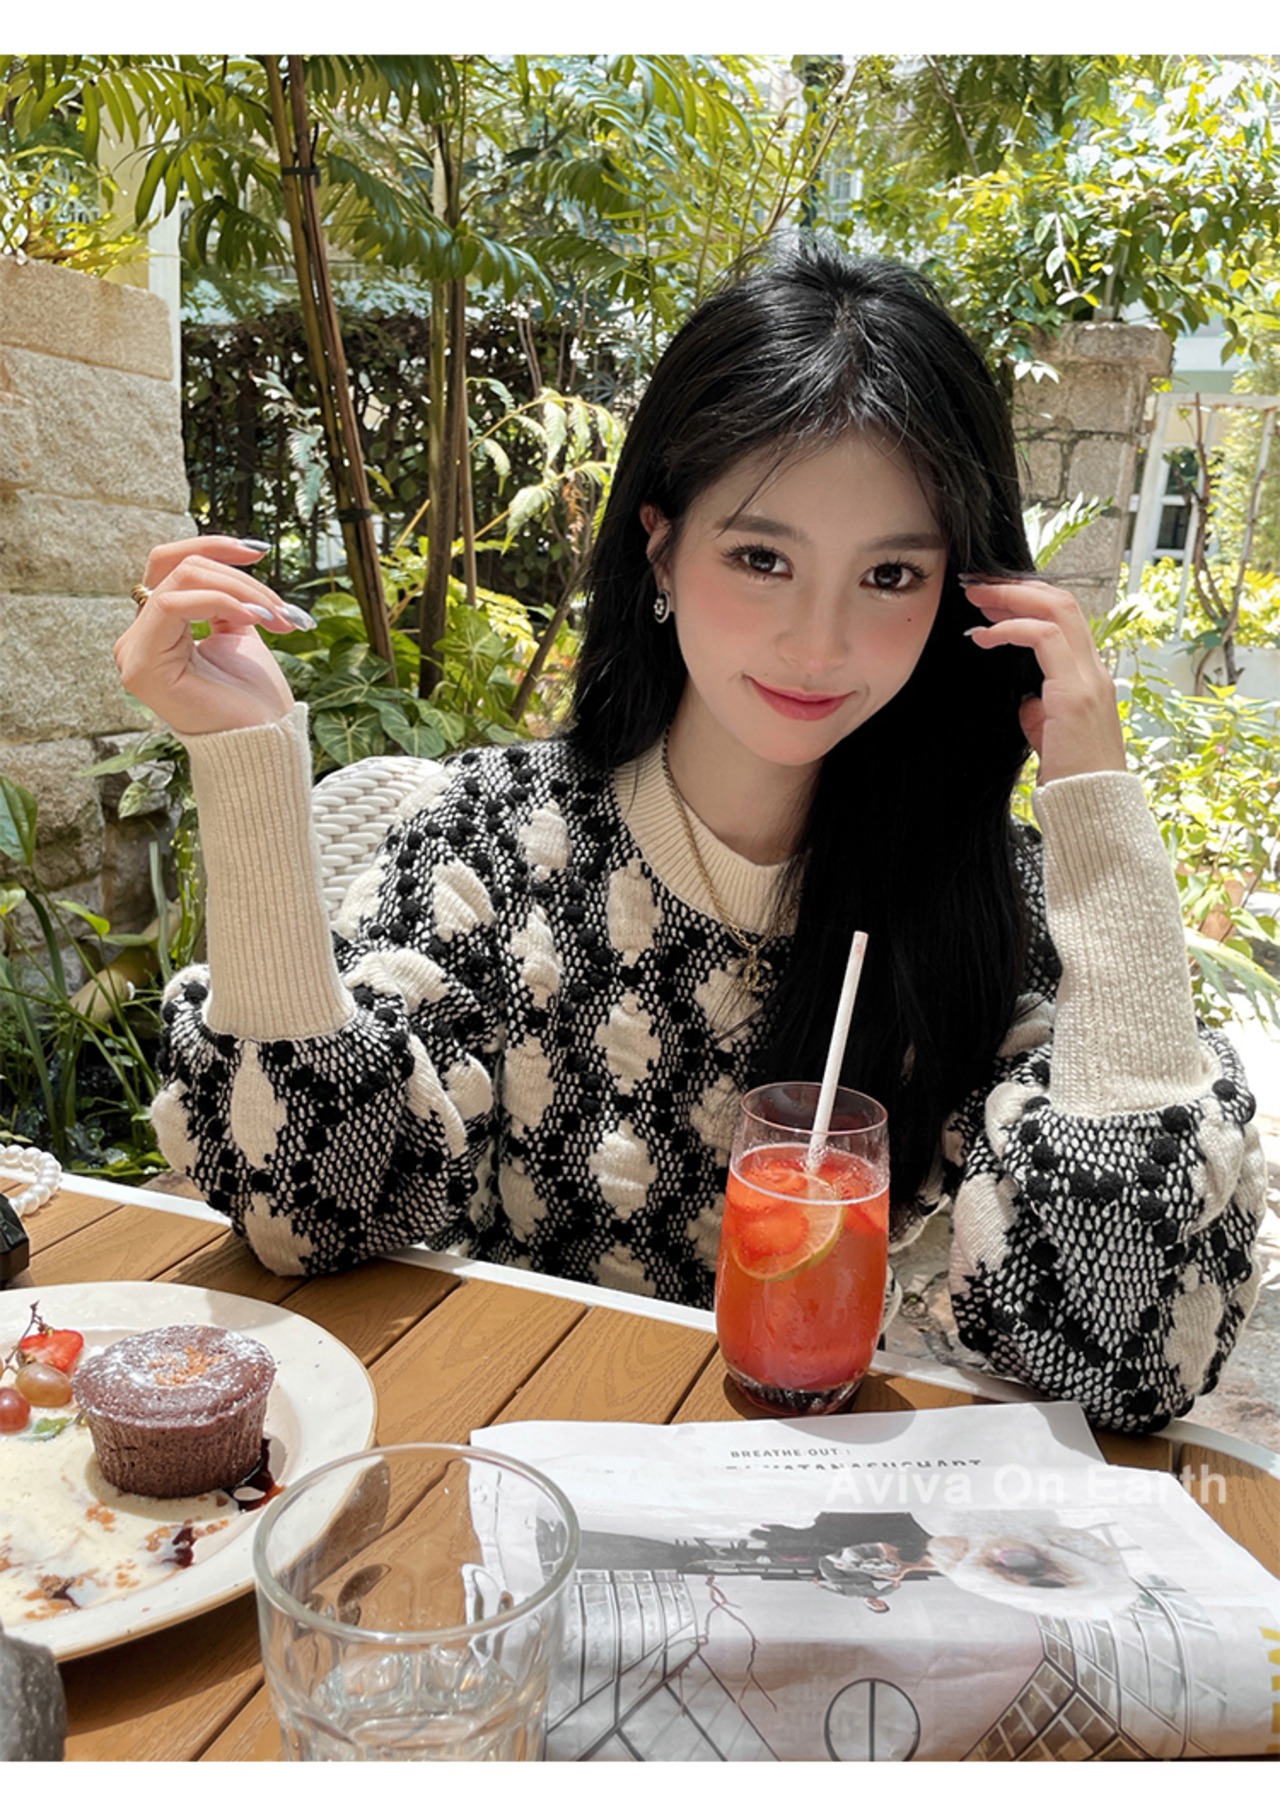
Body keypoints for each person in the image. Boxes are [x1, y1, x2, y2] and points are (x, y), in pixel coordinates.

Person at [113, 244, 1265, 1435]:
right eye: (761, 558)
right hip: (518, 1455)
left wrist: (1098, 817)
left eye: (888, 575)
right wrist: (247, 764)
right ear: (659, 546)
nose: (817, 643)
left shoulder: (985, 903)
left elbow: (1124, 1358)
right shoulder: (492, 842)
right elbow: (310, 1211)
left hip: (824, 1489)